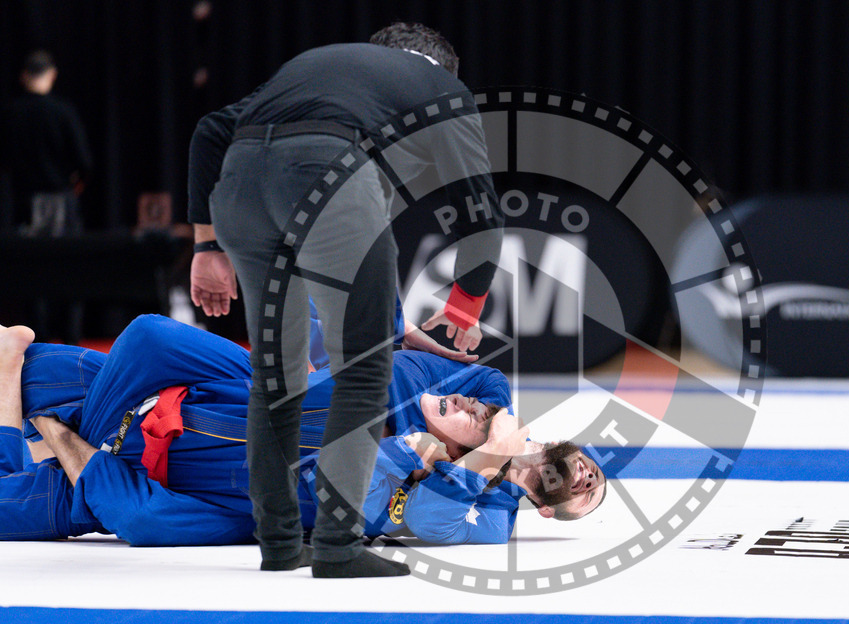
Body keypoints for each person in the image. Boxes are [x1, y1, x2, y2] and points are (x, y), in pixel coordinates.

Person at [187, 23, 504, 577]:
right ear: (442, 67)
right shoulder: (441, 88)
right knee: (363, 370)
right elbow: (479, 212)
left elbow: (212, 129)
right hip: (325, 178)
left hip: (240, 189)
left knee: (274, 378)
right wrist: (465, 307)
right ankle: (337, 545)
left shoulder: (323, 62)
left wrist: (206, 246)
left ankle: (281, 544)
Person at [0, 316, 605, 548]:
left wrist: (497, 463)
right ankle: (42, 423)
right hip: (208, 396)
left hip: (227, 467)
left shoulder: (475, 504)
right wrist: (503, 439)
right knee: (142, 346)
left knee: (141, 516)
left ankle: (41, 427)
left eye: (587, 493)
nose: (586, 477)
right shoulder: (474, 395)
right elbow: (493, 386)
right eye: (592, 472)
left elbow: (440, 516)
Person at [0, 50, 91, 235]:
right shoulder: (64, 112)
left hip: (24, 202)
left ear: (24, 76)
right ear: (52, 74)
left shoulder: (10, 114)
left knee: (28, 260)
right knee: (65, 259)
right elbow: (84, 161)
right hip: (62, 203)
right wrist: (77, 182)